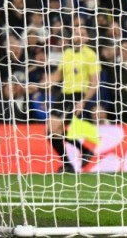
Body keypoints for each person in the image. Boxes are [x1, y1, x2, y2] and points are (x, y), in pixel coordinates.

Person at [43, 25, 100, 173]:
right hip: (63, 95)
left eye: (83, 33)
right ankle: (77, 156)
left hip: (78, 95)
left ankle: (72, 160)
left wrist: (83, 101)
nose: (79, 35)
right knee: (49, 131)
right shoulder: (67, 52)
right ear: (72, 35)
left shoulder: (90, 55)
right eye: (77, 32)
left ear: (87, 38)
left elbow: (94, 83)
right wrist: (46, 83)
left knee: (57, 129)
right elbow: (58, 75)